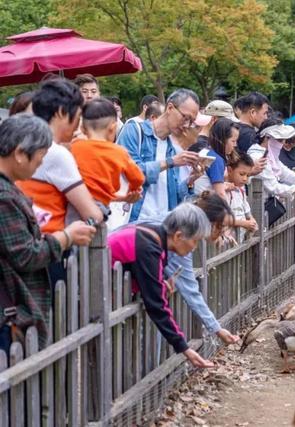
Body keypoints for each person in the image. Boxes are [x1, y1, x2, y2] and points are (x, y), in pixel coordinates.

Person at [0, 114, 96, 353]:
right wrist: (66, 237)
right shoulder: (4, 196)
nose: (40, 165)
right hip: (8, 310)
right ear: (21, 153)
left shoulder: (8, 189)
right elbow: (24, 255)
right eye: (40, 157)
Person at [108, 203, 215, 368]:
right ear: (179, 236)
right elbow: (156, 305)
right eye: (195, 241)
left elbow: (145, 278)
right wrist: (183, 347)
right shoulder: (148, 248)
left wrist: (159, 285)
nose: (194, 248)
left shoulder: (153, 236)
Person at [17, 79, 104, 234]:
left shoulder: (21, 143)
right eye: (78, 115)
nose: (79, 124)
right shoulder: (56, 153)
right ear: (61, 113)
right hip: (51, 244)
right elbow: (92, 215)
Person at [117, 88, 201, 222]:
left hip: (163, 227)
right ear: (170, 108)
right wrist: (169, 162)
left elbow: (174, 197)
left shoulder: (172, 149)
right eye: (185, 118)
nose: (187, 125)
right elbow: (129, 172)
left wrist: (190, 181)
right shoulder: (134, 131)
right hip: (133, 224)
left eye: (191, 122)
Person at [70, 98, 144, 212]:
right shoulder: (119, 152)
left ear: (82, 129)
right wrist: (133, 190)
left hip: (74, 205)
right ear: (113, 127)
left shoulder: (74, 148)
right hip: (98, 209)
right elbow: (138, 178)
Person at [247, 120, 295, 199]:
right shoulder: (258, 156)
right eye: (279, 140)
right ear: (267, 138)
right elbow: (273, 187)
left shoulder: (270, 155)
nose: (281, 144)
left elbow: (283, 171)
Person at [192, 118, 239, 198]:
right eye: (233, 141)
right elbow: (220, 194)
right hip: (205, 205)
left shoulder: (206, 152)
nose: (235, 145)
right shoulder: (216, 159)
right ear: (223, 140)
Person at [225, 153, 258, 243]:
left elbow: (248, 213)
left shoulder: (241, 191)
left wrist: (252, 221)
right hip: (226, 243)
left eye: (247, 175)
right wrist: (244, 223)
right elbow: (223, 218)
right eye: (242, 174)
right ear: (230, 170)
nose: (245, 179)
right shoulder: (224, 192)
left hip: (239, 241)